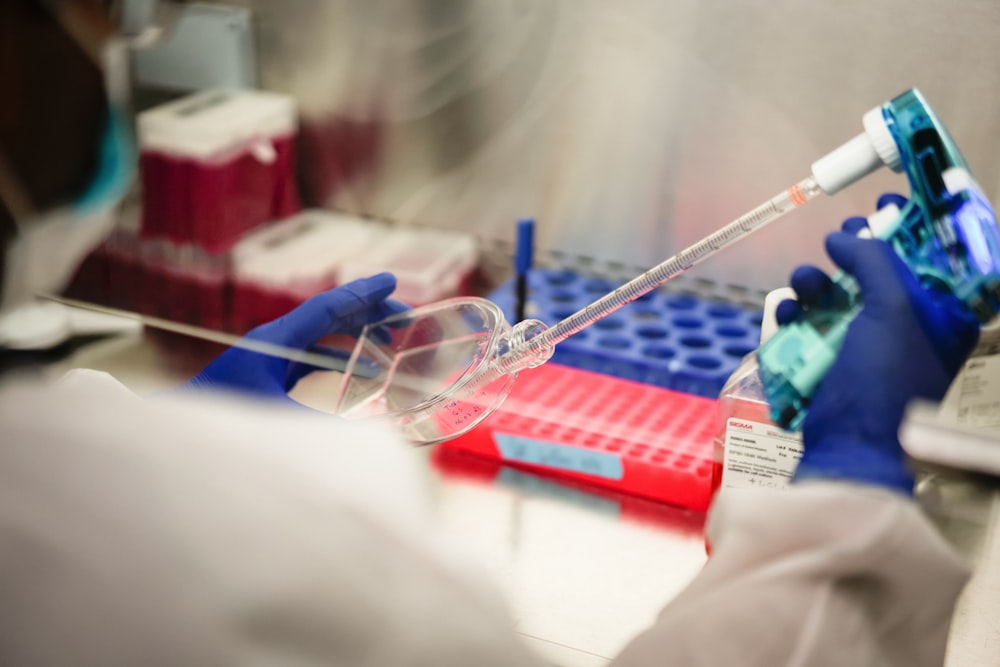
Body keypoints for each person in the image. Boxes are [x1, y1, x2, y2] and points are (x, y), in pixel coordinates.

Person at [0, 1, 984, 665]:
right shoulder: (293, 550)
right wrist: (846, 499)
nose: (120, 50)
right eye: (106, 17)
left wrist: (169, 444)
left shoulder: (52, 477)